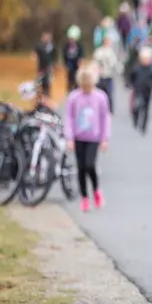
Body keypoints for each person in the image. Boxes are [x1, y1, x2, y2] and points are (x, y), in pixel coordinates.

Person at [63, 65, 111, 213]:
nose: (87, 88)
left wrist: (104, 138)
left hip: (94, 137)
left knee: (90, 164)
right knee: (81, 167)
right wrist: (69, 137)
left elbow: (105, 118)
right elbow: (69, 117)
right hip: (78, 137)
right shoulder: (74, 97)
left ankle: (96, 190)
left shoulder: (101, 97)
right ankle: (84, 198)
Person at [127, 46, 152, 134]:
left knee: (146, 109)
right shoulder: (136, 68)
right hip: (138, 91)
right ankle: (135, 119)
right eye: (144, 59)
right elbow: (131, 77)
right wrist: (129, 84)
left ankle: (144, 126)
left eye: (147, 59)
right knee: (137, 107)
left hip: (148, 91)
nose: (146, 61)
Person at [93, 35, 122, 114]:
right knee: (100, 93)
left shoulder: (109, 51)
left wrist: (119, 70)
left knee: (109, 93)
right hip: (101, 76)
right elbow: (96, 63)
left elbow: (114, 63)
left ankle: (109, 109)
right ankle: (100, 108)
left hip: (108, 75)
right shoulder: (100, 52)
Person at [33, 32, 56, 97]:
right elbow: (35, 52)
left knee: (48, 82)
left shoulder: (52, 47)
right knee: (39, 81)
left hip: (48, 68)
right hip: (40, 68)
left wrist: (53, 66)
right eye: (45, 37)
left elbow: (54, 57)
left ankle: (47, 94)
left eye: (48, 37)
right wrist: (34, 55)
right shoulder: (39, 46)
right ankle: (39, 94)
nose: (46, 39)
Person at [63, 25, 84, 92]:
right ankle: (70, 91)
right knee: (70, 79)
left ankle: (77, 90)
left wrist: (80, 62)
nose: (72, 40)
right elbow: (64, 56)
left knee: (77, 79)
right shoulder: (66, 46)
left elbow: (81, 55)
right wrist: (66, 64)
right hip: (70, 64)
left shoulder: (79, 46)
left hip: (76, 65)